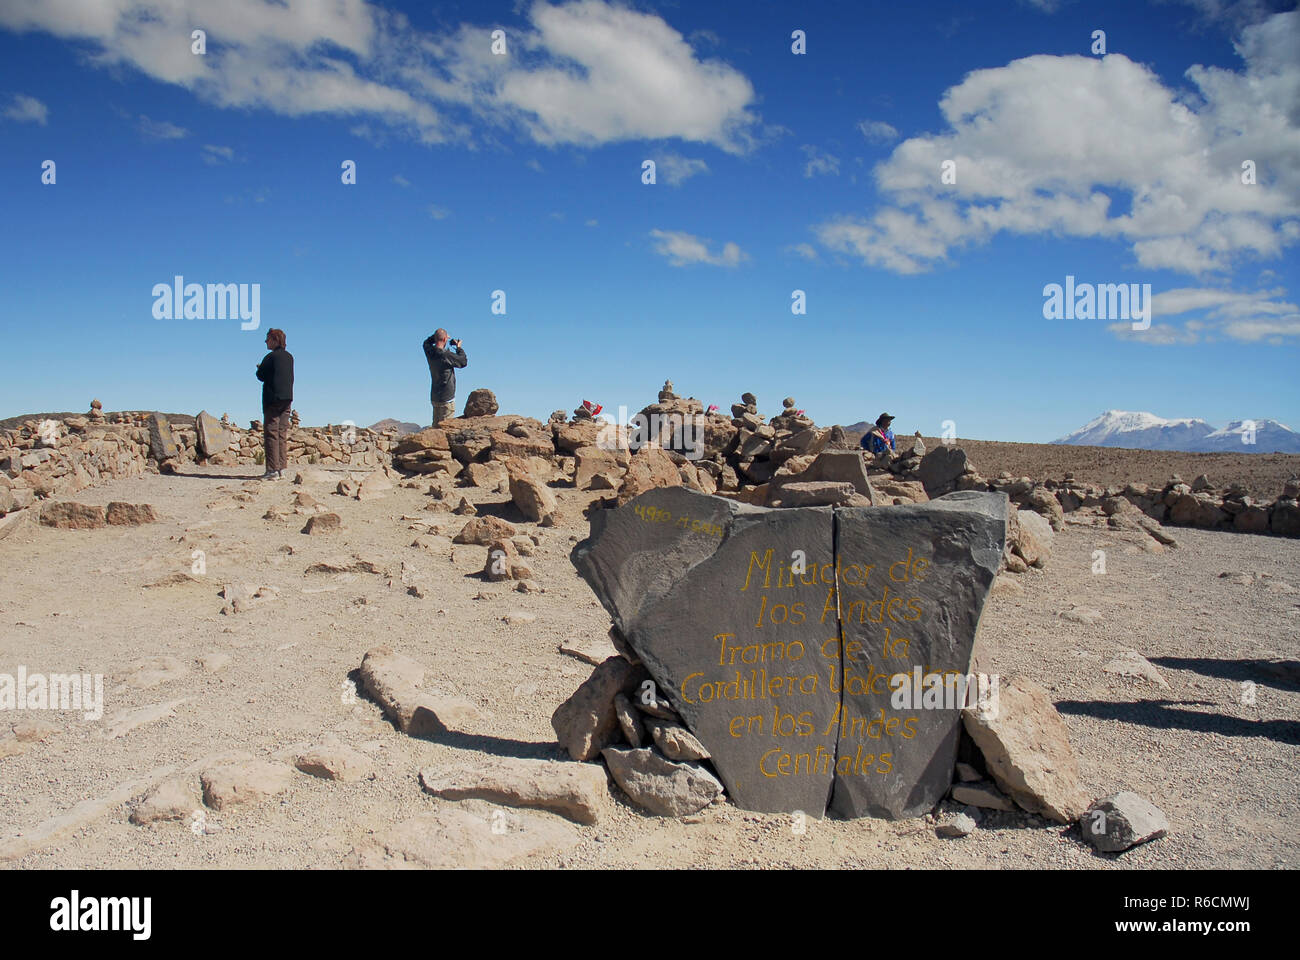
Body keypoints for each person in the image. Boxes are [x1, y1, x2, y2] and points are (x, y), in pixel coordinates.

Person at [255, 328, 294, 479]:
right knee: (282, 433)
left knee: (271, 432)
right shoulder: (289, 357)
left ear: (275, 340)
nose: (266, 342)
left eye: (268, 339)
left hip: (272, 400)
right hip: (287, 398)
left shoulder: (270, 357)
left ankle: (272, 470)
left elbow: (261, 375)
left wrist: (259, 368)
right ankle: (282, 468)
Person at [423, 328, 467, 426]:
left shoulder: (429, 351)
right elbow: (463, 361)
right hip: (447, 397)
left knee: (435, 428)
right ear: (444, 340)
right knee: (445, 429)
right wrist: (458, 347)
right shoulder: (446, 355)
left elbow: (426, 342)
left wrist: (436, 337)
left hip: (435, 396)